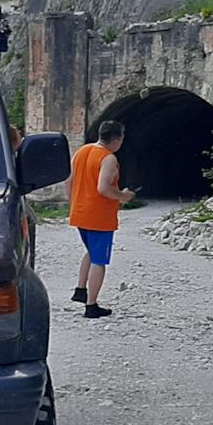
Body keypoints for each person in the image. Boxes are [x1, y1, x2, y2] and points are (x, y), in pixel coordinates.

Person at [68, 120, 135, 319]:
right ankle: (92, 305)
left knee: (90, 251)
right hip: (99, 216)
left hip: (79, 211)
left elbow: (68, 180)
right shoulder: (108, 158)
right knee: (99, 260)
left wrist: (73, 203)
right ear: (115, 140)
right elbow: (103, 188)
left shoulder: (82, 151)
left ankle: (80, 289)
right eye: (121, 140)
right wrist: (124, 196)